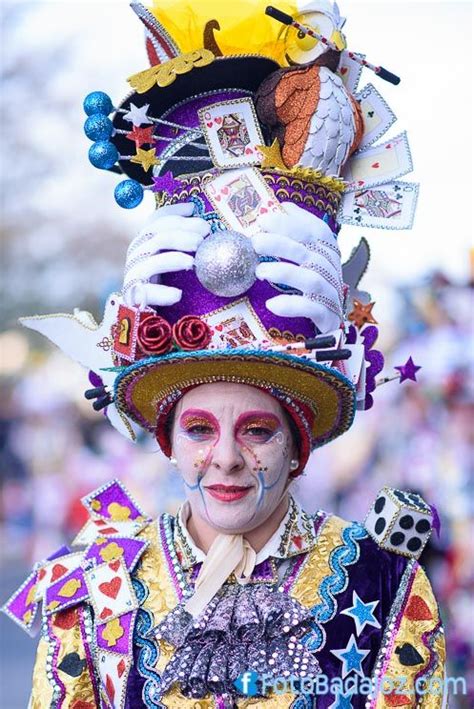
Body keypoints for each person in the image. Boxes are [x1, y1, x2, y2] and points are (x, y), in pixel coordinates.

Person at [3, 1, 446, 707]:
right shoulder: (88, 589)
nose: (228, 458)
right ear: (169, 441)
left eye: (259, 428)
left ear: (299, 445)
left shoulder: (384, 585)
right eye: (201, 428)